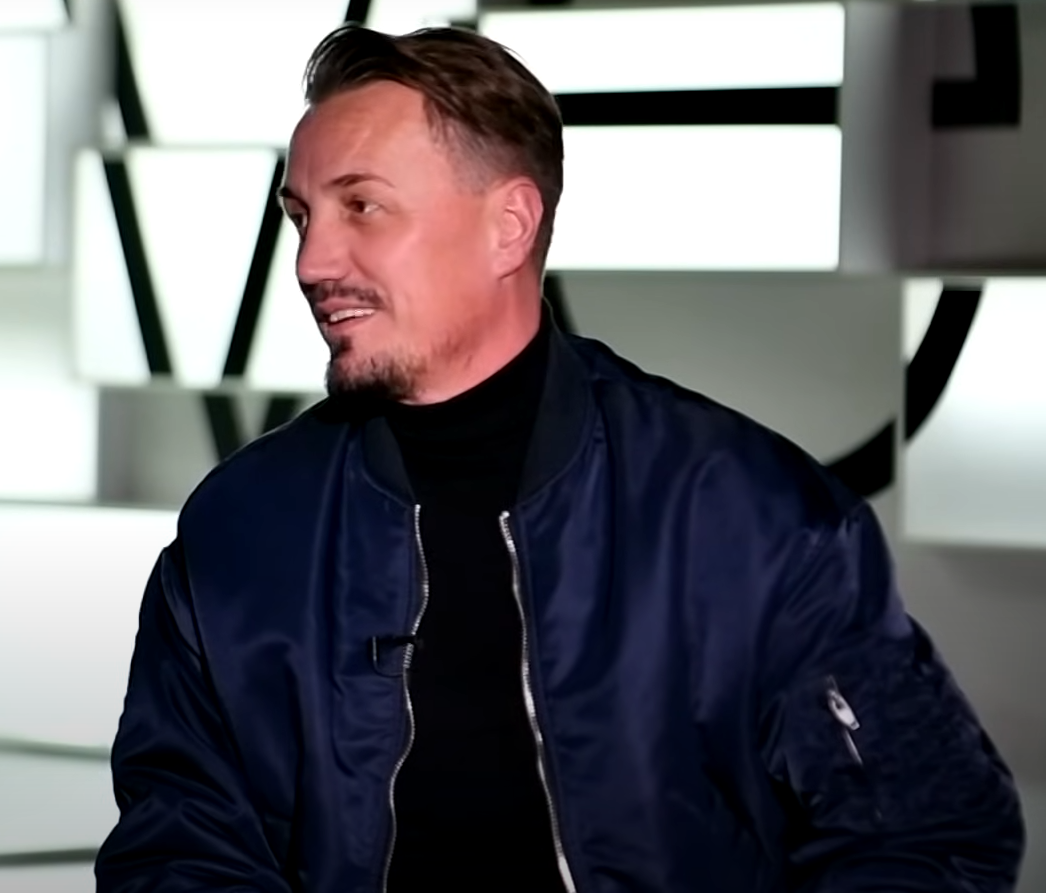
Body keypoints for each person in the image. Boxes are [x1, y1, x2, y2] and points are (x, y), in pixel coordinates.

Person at [95, 24, 1024, 893]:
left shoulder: (749, 514)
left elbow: (928, 832)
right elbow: (179, 846)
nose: (311, 262)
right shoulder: (238, 530)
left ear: (510, 224)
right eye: (303, 216)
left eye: (362, 207)